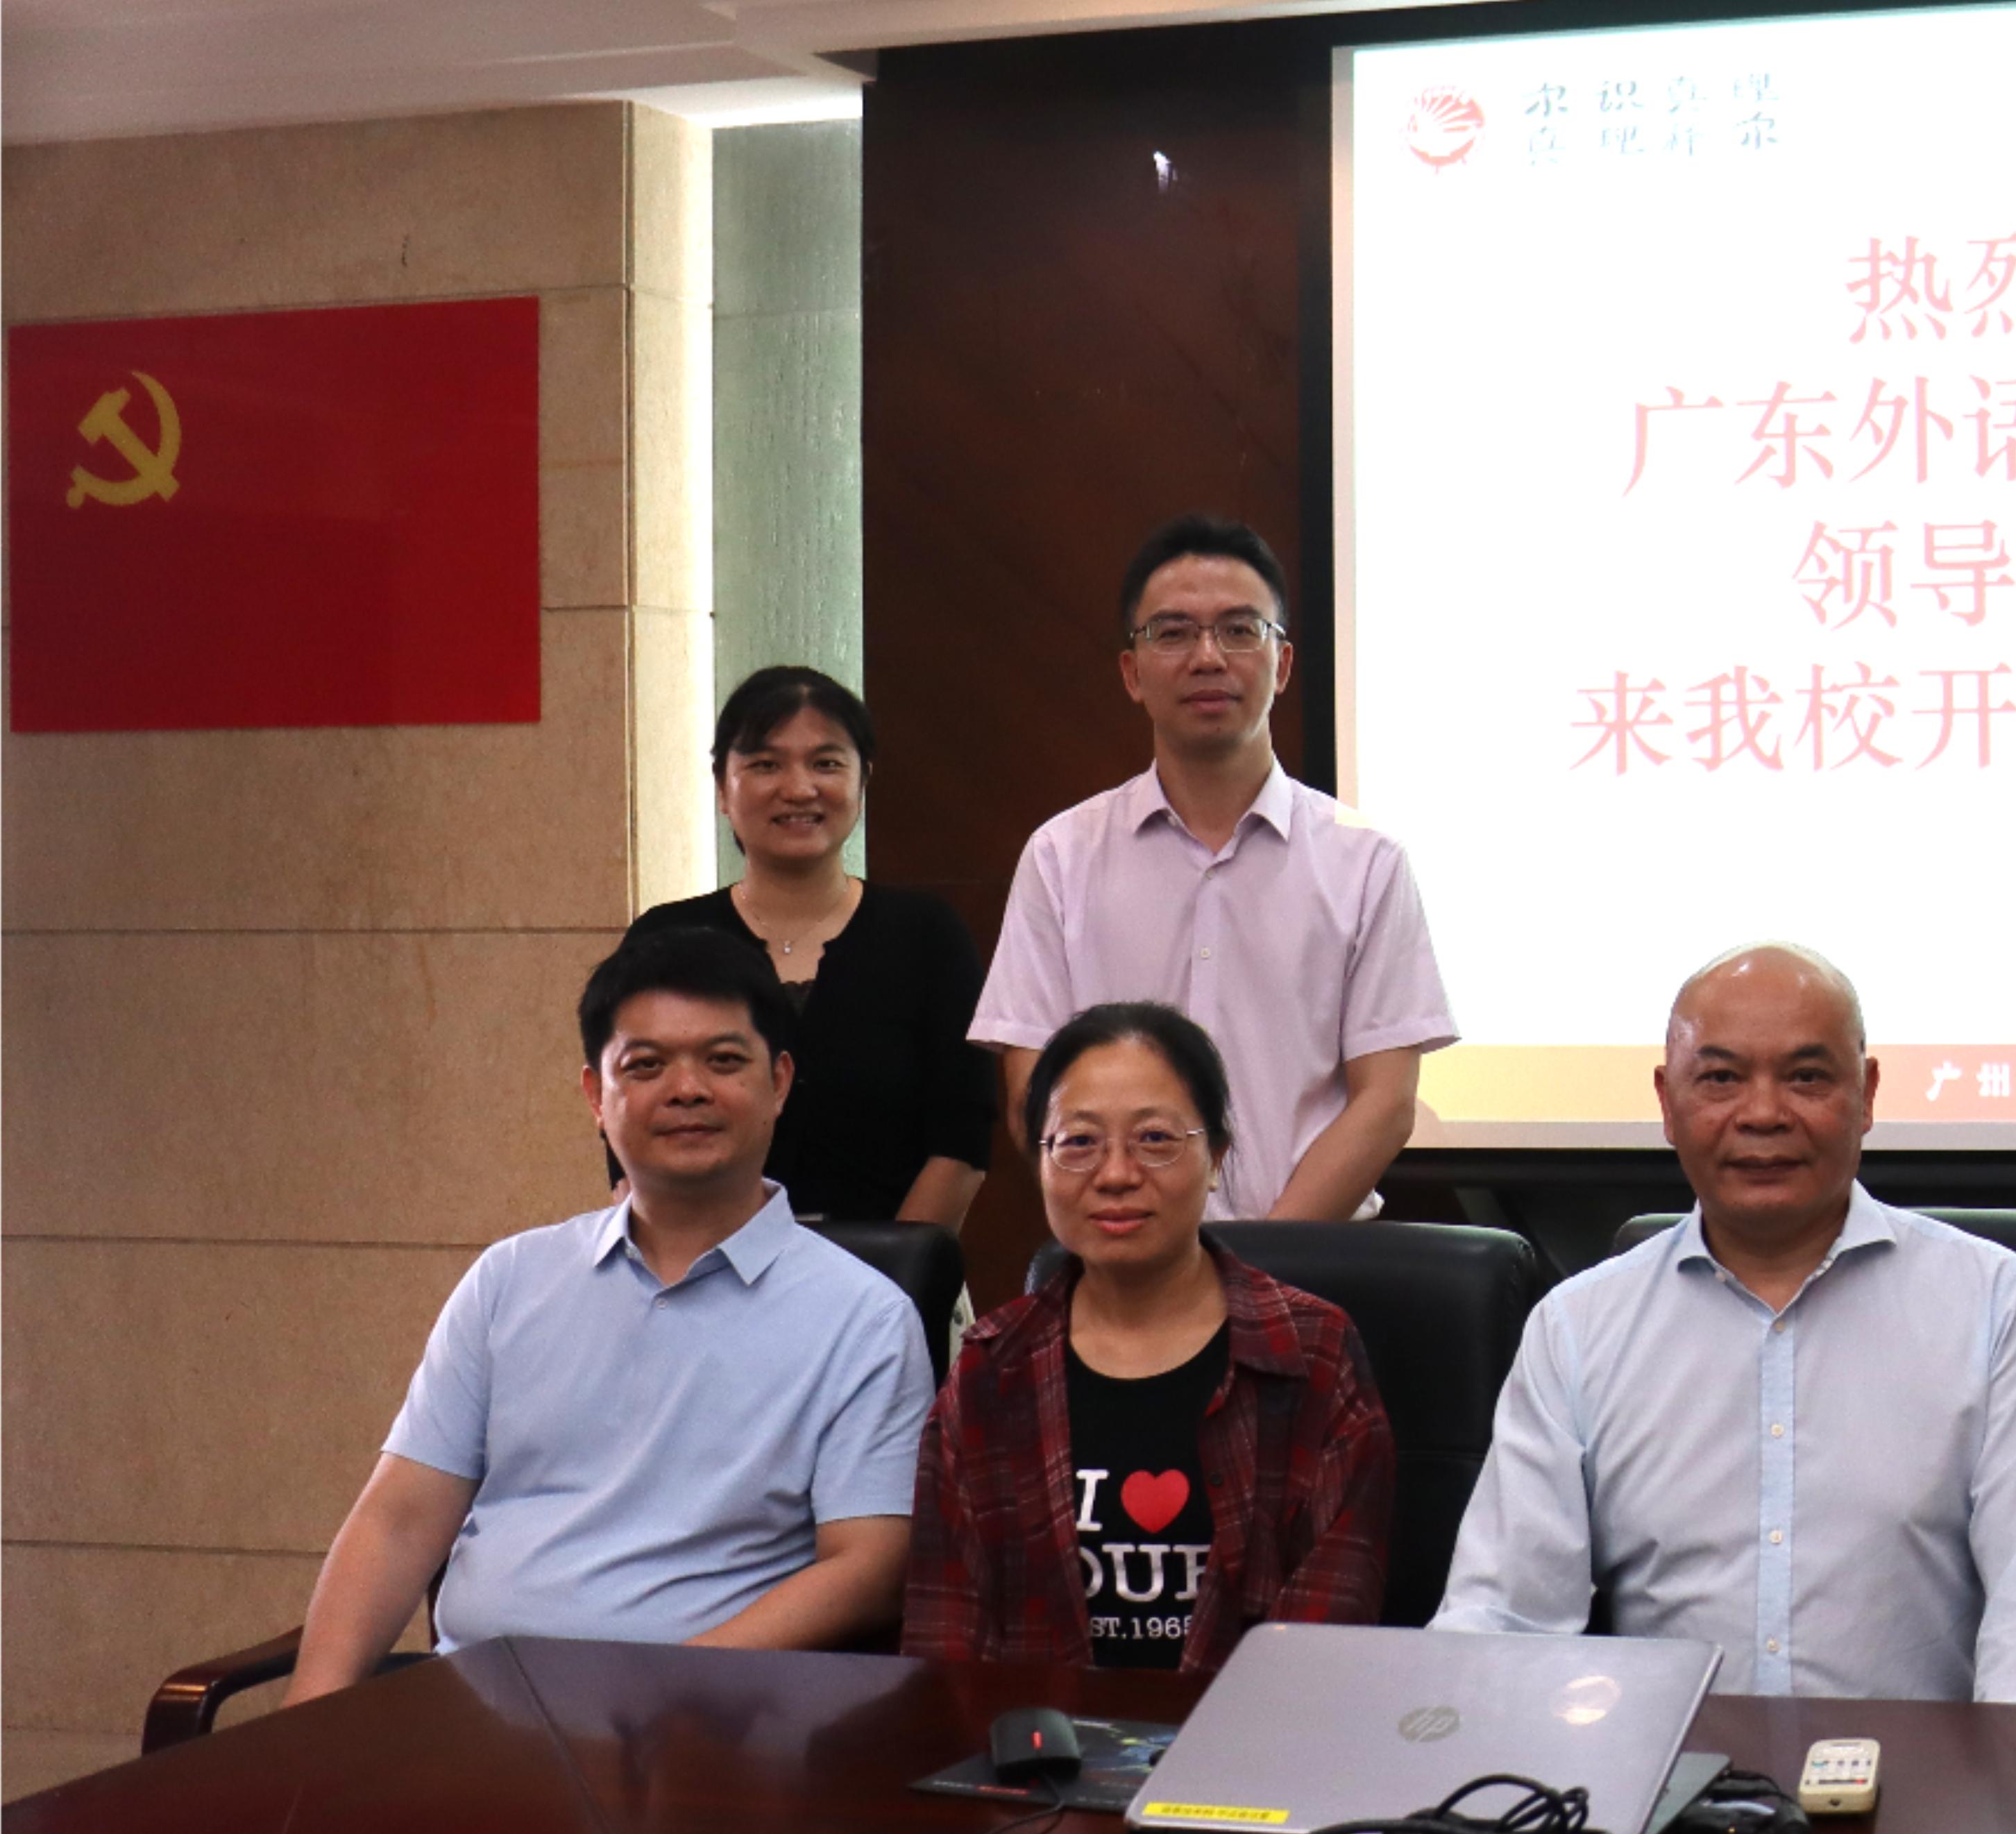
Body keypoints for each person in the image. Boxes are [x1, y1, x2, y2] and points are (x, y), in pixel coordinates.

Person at [1434, 945, 2016, 1704]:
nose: (1762, 1115)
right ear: (1667, 1102)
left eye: (1806, 1077)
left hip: (1922, 1767)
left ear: (1867, 1094)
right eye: (1721, 1079)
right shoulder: (1578, 1327)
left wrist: (1995, 1783)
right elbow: (1505, 1619)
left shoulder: (1991, 1302)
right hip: (1668, 1768)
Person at [284, 929, 935, 1699]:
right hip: (475, 1713)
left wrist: (664, 1694)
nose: (687, 1090)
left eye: (723, 1061)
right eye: (646, 1065)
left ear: (780, 1083)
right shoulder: (510, 1280)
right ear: (597, 1096)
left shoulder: (864, 1319)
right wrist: (304, 1722)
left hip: (708, 1723)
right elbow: (397, 1521)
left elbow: (868, 1567)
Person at [972, 514, 1457, 1225]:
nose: (1208, 657)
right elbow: (1033, 1085)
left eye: (1238, 630)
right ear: (1132, 673)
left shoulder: (1367, 861)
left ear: (1282, 666)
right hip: (1120, 1258)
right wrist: (1141, 1242)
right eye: (1173, 633)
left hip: (1311, 1265)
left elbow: (1384, 1102)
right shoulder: (1061, 855)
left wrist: (1259, 1262)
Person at [901, 1003, 1395, 1670]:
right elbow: (947, 1638)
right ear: (1040, 1161)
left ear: (1216, 1156)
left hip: (1258, 1730)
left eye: (1155, 1138)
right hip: (1033, 1734)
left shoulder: (1311, 1354)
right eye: (1079, 1142)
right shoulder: (992, 1367)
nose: (1116, 1175)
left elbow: (1330, 1624)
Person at [626, 665, 996, 1230]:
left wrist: (883, 1274)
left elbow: (962, 1140)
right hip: (701, 1269)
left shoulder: (927, 935)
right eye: (765, 764)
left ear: (863, 780)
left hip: (890, 1272)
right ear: (722, 788)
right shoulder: (666, 940)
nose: (799, 789)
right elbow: (629, 1123)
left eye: (826, 764)